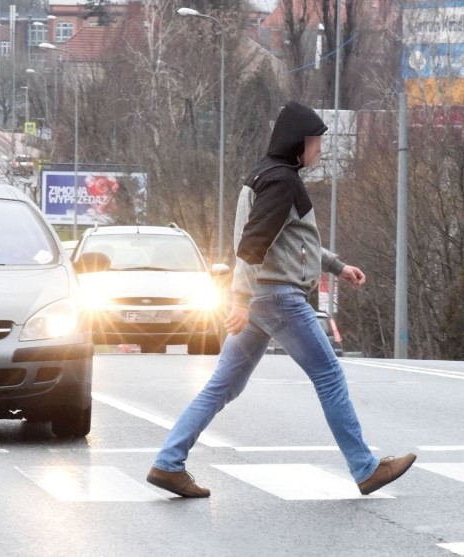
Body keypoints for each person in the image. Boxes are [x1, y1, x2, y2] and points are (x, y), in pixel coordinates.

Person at [146, 101, 416, 498]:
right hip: (277, 297)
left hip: (261, 297)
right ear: (297, 143)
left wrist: (337, 267)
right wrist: (238, 299)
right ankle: (365, 468)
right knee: (329, 376)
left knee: (224, 385)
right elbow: (253, 243)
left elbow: (292, 243)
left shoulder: (265, 175)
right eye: (315, 142)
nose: (320, 150)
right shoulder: (281, 182)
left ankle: (169, 462)